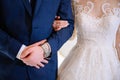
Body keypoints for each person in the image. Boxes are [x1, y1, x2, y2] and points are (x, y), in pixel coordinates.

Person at [0, 0, 74, 80]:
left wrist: (45, 49)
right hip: (8, 68)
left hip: (45, 70)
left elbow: (68, 24)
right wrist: (20, 51)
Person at [53, 0, 120, 80]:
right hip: (78, 64)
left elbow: (118, 41)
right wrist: (57, 25)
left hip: (109, 64)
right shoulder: (75, 2)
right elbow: (70, 32)